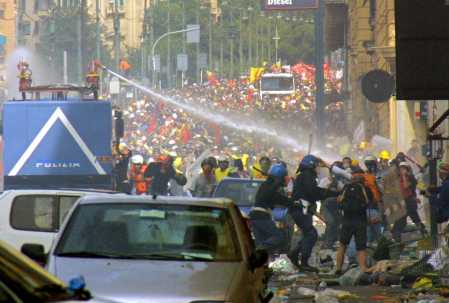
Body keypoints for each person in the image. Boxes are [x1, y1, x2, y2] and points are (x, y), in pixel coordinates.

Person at [288, 155, 339, 272]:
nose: (318, 168)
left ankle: (294, 254)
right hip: (301, 209)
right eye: (316, 165)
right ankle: (304, 262)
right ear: (311, 165)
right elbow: (313, 192)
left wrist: (328, 193)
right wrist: (331, 193)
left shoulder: (305, 175)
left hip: (300, 209)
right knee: (311, 234)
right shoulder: (307, 175)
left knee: (308, 234)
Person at [249, 164, 295, 254]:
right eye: (284, 177)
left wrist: (292, 202)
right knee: (279, 236)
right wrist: (292, 202)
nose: (286, 179)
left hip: (255, 216)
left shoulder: (267, 186)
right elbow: (275, 197)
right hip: (261, 216)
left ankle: (259, 261)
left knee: (262, 241)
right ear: (280, 178)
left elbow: (278, 198)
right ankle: (259, 250)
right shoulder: (270, 187)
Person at [335, 173, 372, 275]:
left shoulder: (346, 188)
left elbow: (339, 201)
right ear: (362, 181)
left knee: (342, 245)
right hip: (360, 221)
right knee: (361, 247)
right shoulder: (365, 189)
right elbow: (370, 202)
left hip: (347, 220)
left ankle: (338, 268)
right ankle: (363, 269)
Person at [392, 162, 427, 242]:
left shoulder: (410, 177)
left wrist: (404, 176)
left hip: (410, 201)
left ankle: (423, 233)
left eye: (403, 169)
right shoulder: (398, 178)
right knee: (401, 221)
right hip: (402, 202)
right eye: (400, 169)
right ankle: (396, 237)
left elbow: (407, 186)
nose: (401, 171)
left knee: (415, 218)